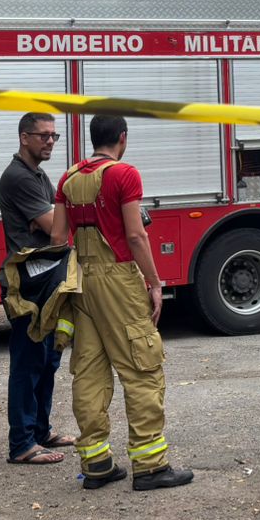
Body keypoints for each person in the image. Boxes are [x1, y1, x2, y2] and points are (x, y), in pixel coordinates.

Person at [52, 115, 193, 492]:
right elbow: (135, 234)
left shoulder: (68, 178)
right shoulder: (124, 174)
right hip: (118, 279)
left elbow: (56, 235)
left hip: (81, 281)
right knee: (142, 368)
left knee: (89, 373)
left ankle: (96, 463)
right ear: (123, 139)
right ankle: (150, 466)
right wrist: (155, 282)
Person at [0, 112, 75, 466]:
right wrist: (51, 221)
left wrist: (51, 220)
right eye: (43, 135)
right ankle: (22, 444)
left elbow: (53, 224)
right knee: (28, 363)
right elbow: (57, 232)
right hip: (26, 286)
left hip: (46, 281)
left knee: (48, 360)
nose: (50, 142)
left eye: (54, 136)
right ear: (23, 137)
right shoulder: (18, 178)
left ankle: (41, 431)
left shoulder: (38, 175)